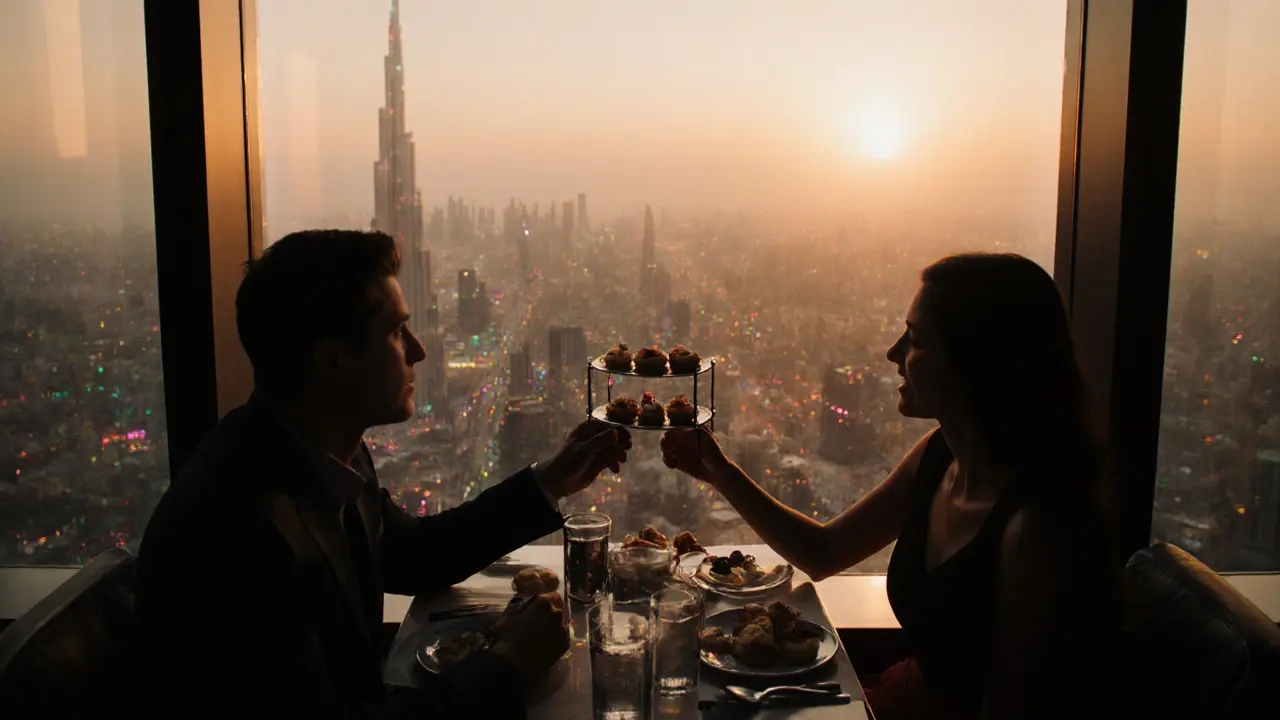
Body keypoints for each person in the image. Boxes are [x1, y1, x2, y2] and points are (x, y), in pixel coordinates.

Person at [136, 230, 631, 718]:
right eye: (396, 332)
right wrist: (506, 663)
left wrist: (550, 480)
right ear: (333, 358)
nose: (417, 350)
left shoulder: (324, 455)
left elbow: (415, 554)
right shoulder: (236, 529)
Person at [662, 253, 1117, 719]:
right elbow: (824, 551)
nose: (893, 353)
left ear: (975, 361)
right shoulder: (939, 457)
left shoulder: (1040, 528)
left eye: (915, 339)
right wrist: (721, 473)